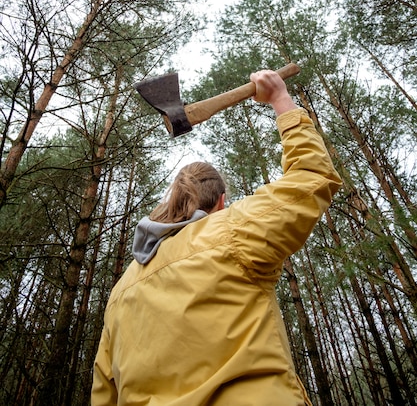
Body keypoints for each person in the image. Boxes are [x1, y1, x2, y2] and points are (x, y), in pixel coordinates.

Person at [91, 69, 342, 406]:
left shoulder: (121, 290)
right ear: (222, 201)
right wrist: (281, 99)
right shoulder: (233, 233)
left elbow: (104, 393)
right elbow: (312, 176)